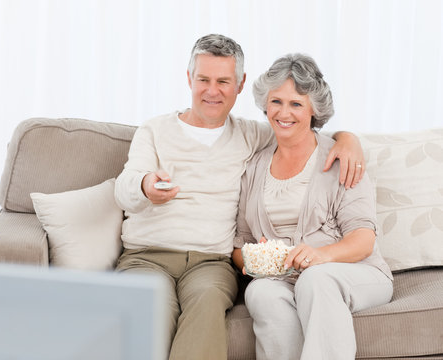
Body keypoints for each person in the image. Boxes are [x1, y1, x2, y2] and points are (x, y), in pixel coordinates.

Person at [114, 34, 365, 360]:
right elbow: (124, 189)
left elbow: (304, 130)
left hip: (210, 263)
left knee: (206, 303)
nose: (212, 90)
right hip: (146, 256)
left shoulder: (252, 134)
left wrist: (349, 139)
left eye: (223, 81)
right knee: (151, 312)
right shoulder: (154, 130)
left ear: (241, 84)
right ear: (189, 78)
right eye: (203, 79)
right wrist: (145, 185)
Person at [232, 53, 393, 360]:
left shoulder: (341, 158)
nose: (284, 113)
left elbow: (363, 239)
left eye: (296, 104)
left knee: (316, 279)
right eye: (276, 101)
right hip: (284, 278)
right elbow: (240, 243)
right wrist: (255, 260)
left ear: (313, 110)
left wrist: (321, 256)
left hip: (354, 271)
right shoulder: (253, 166)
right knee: (260, 292)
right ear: (265, 104)